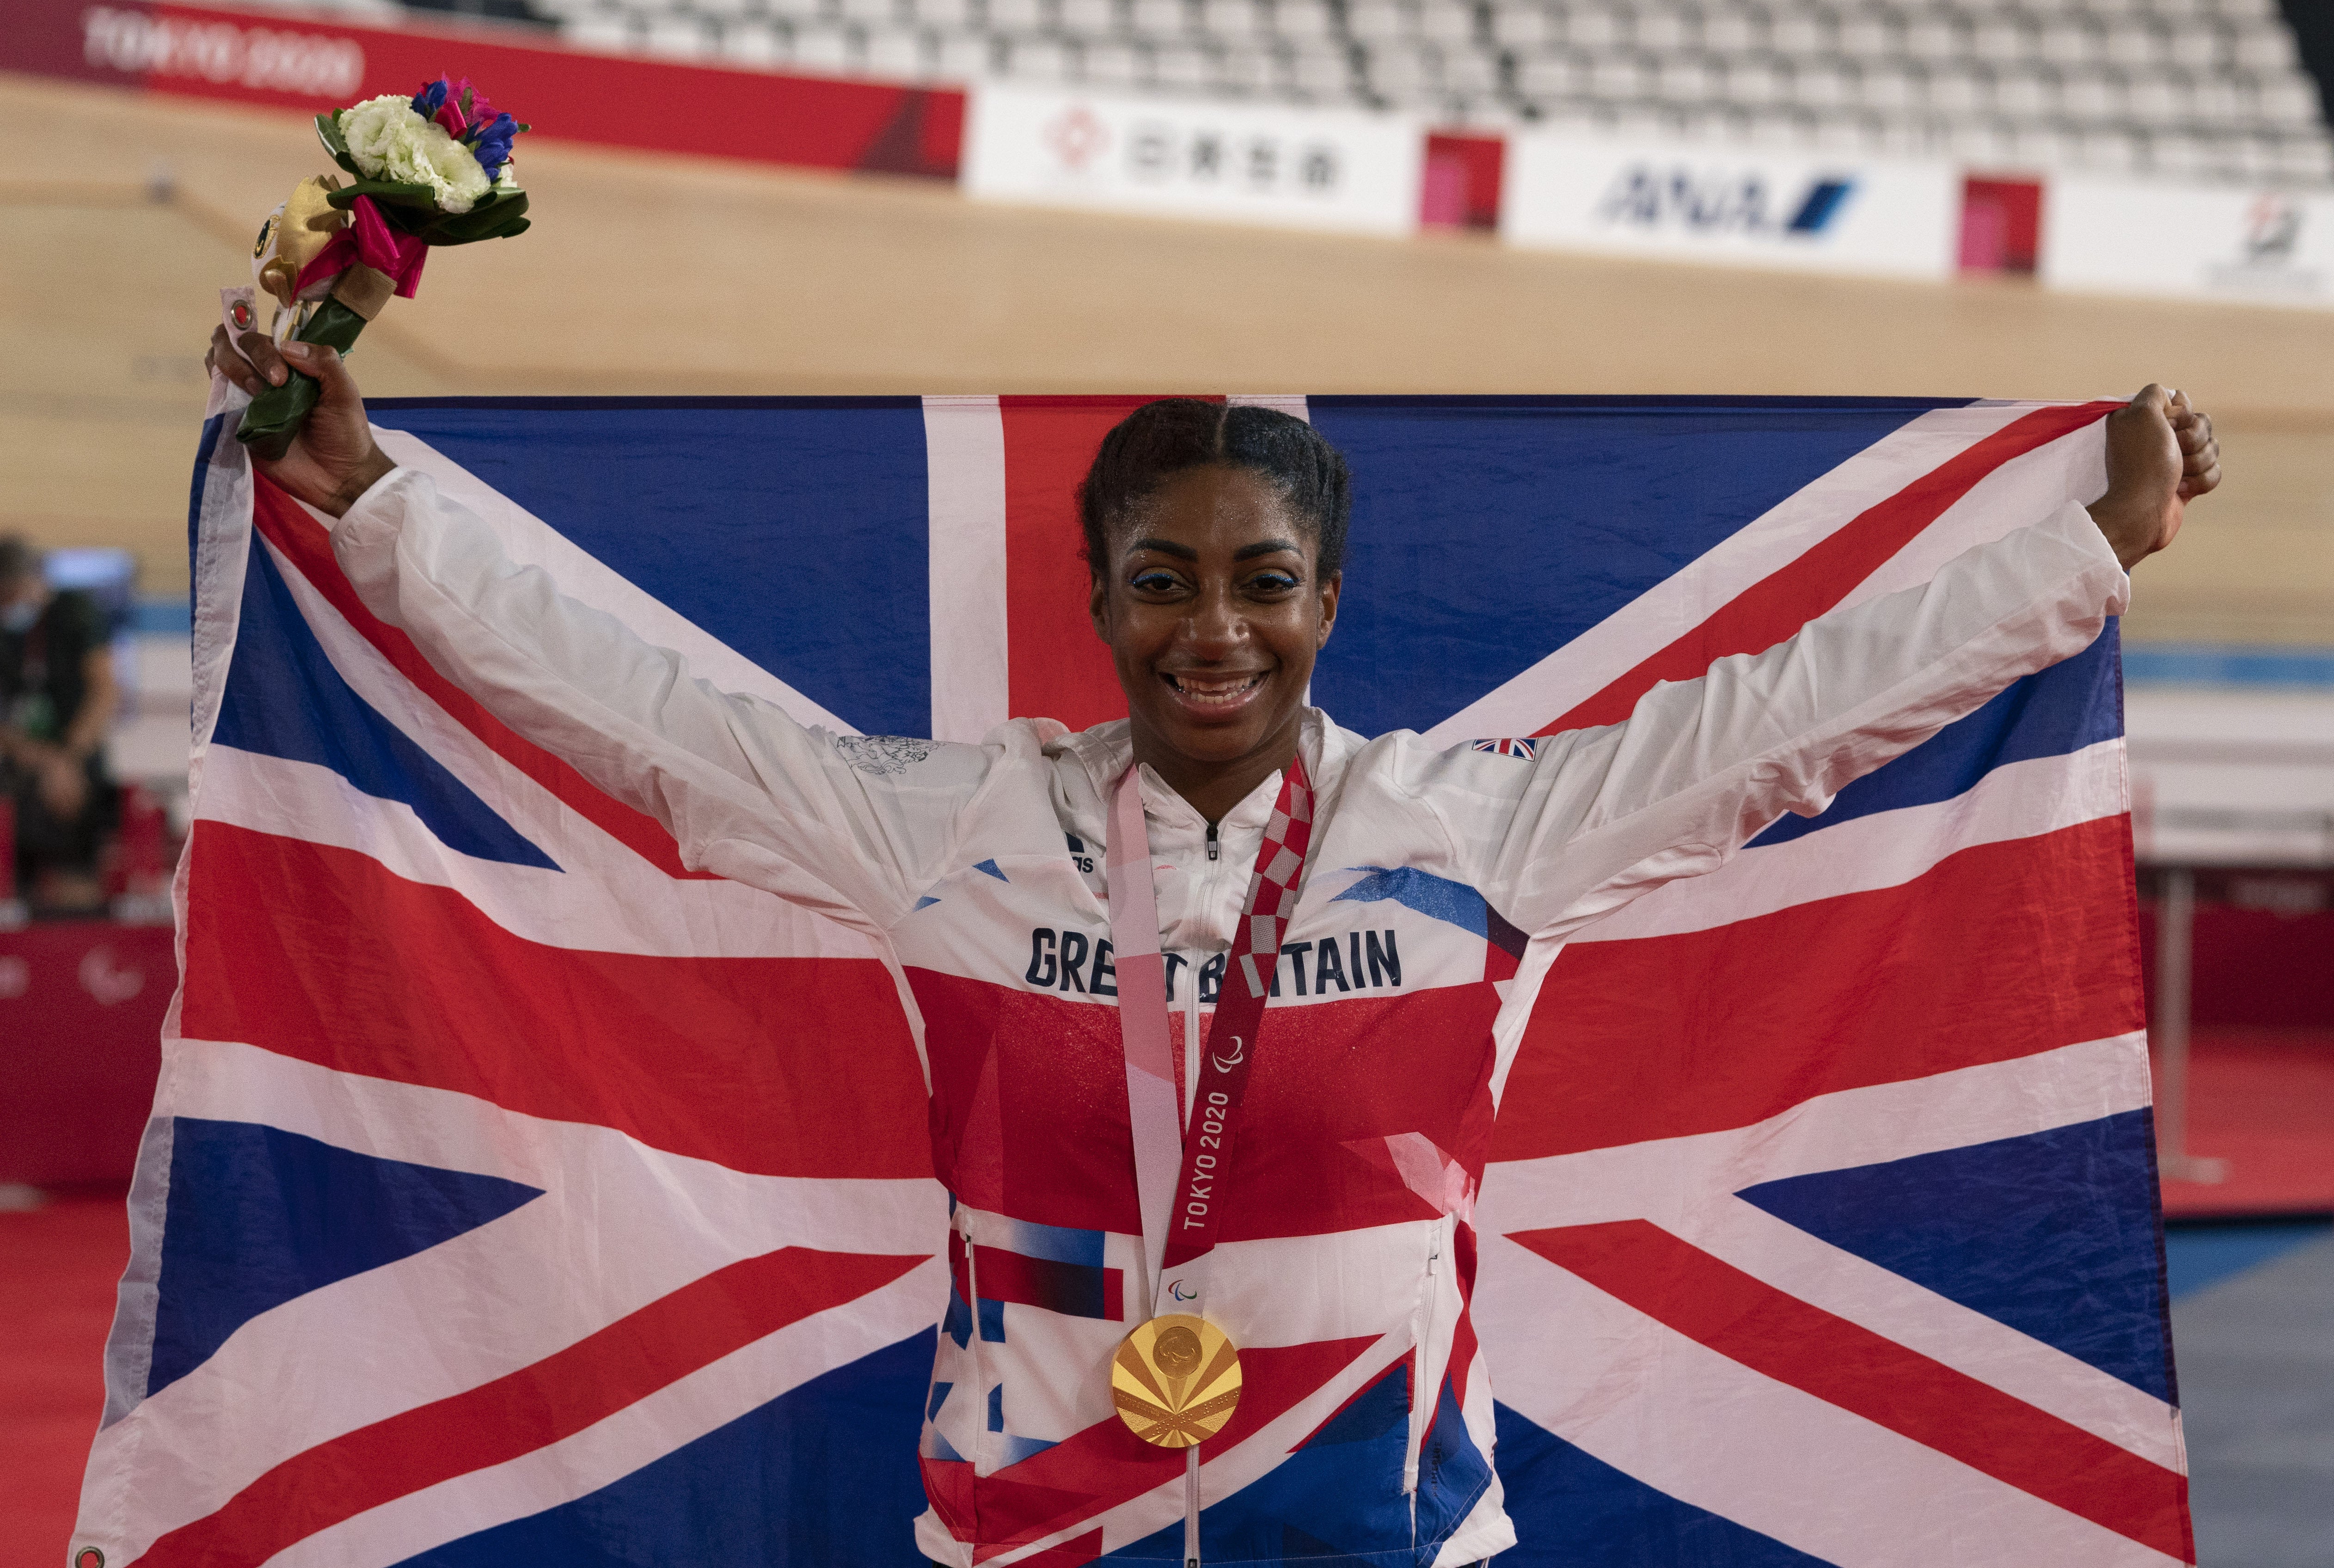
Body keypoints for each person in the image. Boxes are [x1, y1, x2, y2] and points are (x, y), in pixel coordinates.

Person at [208, 327, 2219, 1568]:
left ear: (1328, 598)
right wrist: (367, 497)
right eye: (1161, 580)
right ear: (1096, 595)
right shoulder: (960, 833)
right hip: (1030, 1529)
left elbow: (1784, 720)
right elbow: (639, 709)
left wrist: (2081, 551)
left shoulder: (1469, 828)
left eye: (1259, 581)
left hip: (1389, 1535)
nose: (1212, 627)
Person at [0, 537, 121, 913]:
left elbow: (105, 690)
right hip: (21, 768)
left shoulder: (75, 611)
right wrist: (44, 761)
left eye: (13, 594)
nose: (9, 605)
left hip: (77, 767)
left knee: (73, 825)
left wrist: (68, 759)